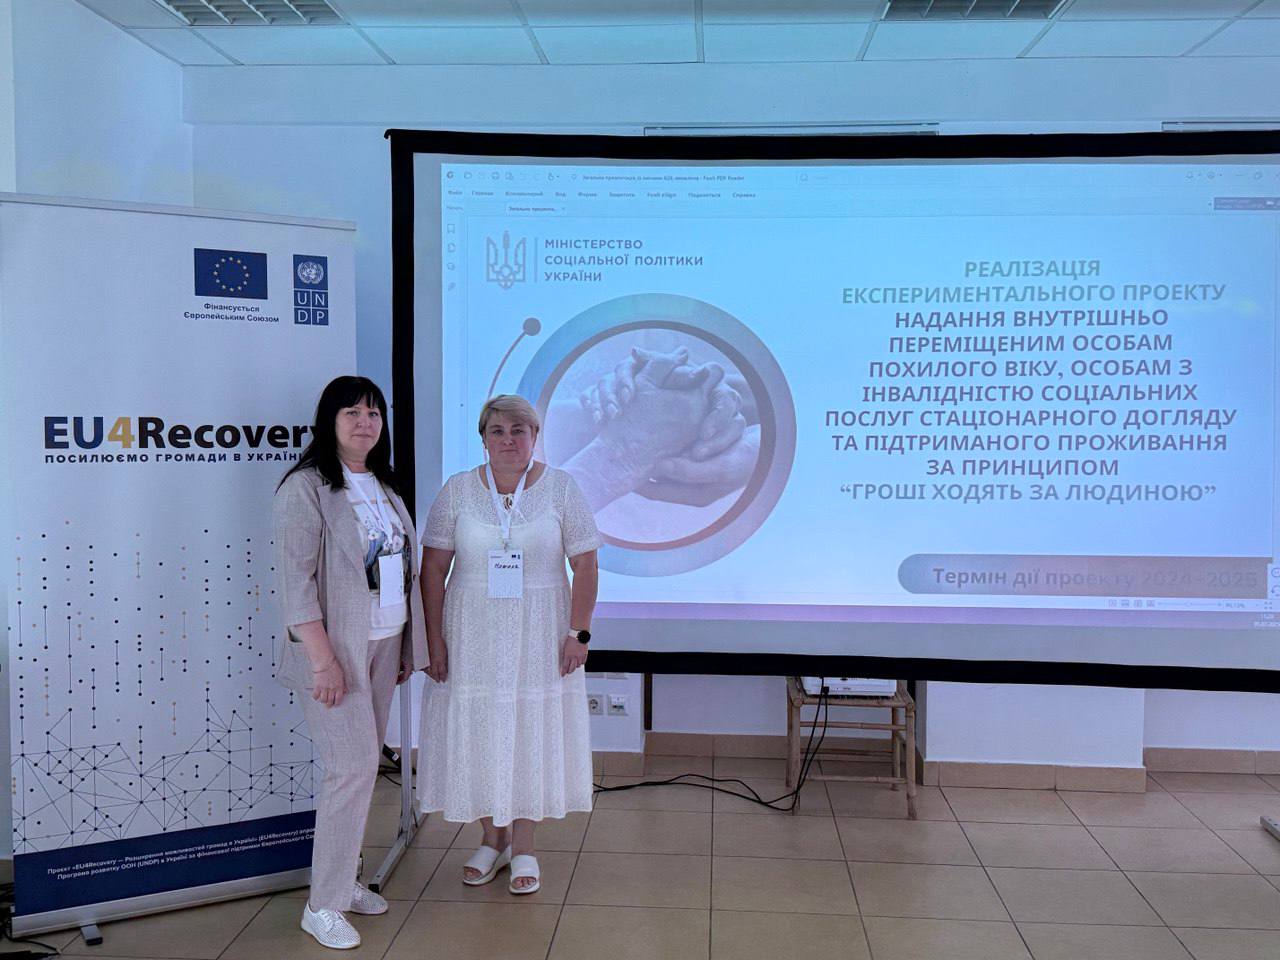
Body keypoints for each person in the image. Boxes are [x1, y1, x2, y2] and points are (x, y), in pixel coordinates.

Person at [417, 394, 601, 894]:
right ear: (483, 438)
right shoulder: (457, 490)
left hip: (541, 634)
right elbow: (432, 569)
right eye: (497, 430)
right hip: (470, 633)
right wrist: (433, 640)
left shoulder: (562, 488)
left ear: (535, 437)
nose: (508, 440)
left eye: (519, 430)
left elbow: (585, 564)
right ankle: (491, 839)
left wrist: (578, 633)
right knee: (480, 729)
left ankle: (524, 847)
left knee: (528, 730)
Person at [273, 375, 426, 950]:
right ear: (329, 421)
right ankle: (323, 904)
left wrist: (405, 649)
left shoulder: (383, 484)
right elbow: (296, 586)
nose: (365, 422)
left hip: (384, 644)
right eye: (352, 413)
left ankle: (343, 879)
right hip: (335, 652)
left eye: (373, 413)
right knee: (353, 769)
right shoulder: (306, 488)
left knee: (359, 772)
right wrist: (323, 662)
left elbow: (400, 572)